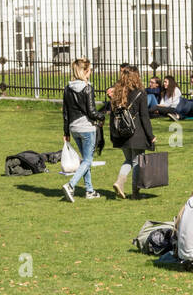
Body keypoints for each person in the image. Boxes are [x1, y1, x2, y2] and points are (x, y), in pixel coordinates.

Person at [62, 58, 106, 202]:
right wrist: (102, 117)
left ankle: (89, 190)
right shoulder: (88, 88)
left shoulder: (68, 88)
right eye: (90, 70)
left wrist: (66, 132)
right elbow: (92, 112)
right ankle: (70, 185)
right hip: (86, 127)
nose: (91, 73)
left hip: (74, 128)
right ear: (85, 71)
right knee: (87, 160)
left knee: (85, 161)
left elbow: (66, 113)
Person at [108, 68, 154, 199]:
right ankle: (135, 193)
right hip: (136, 133)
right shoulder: (140, 93)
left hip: (121, 133)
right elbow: (145, 117)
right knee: (137, 162)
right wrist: (150, 136)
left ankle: (120, 182)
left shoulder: (117, 93)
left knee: (128, 160)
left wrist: (113, 135)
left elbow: (113, 116)